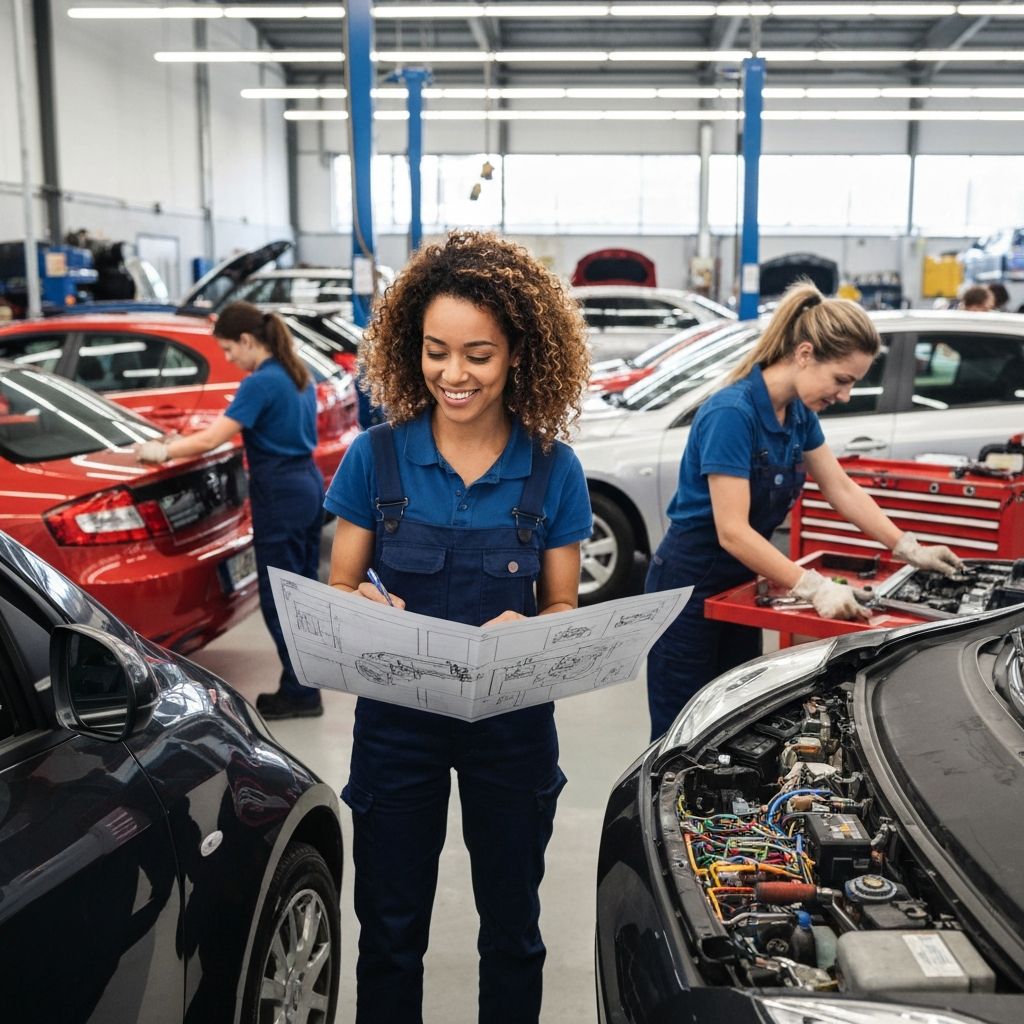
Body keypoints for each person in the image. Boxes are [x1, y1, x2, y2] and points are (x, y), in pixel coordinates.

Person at [324, 230, 592, 1024]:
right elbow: (340, 582)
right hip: (396, 725)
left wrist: (536, 626)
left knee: (513, 929)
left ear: (519, 353)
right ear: (413, 349)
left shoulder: (553, 467)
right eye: (436, 352)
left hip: (510, 727)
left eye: (478, 354)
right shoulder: (376, 458)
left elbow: (565, 606)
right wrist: (359, 604)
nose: (454, 374)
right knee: (390, 929)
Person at [645, 281, 963, 741]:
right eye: (842, 379)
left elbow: (841, 488)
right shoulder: (732, 414)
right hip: (686, 588)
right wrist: (811, 586)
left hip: (738, 584)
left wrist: (907, 546)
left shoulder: (796, 413)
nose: (847, 394)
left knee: (733, 718)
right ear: (805, 353)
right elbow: (732, 531)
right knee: (681, 731)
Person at [136, 301, 325, 719]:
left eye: (228, 349)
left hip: (279, 492)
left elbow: (211, 440)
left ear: (246, 340)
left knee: (281, 597)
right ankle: (307, 681)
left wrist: (161, 450)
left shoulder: (260, 383)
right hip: (308, 486)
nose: (228, 359)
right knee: (305, 593)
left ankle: (300, 693)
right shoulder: (297, 375)